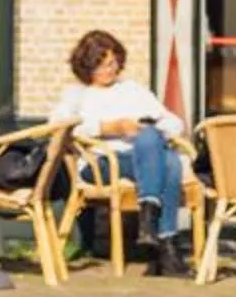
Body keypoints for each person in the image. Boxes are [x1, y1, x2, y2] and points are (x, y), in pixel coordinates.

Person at [51, 29, 194, 275]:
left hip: (144, 157)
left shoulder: (133, 90)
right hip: (102, 162)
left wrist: (151, 127)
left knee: (163, 154)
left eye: (113, 63)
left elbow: (175, 123)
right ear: (87, 67)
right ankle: (165, 247)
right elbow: (57, 125)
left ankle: (150, 222)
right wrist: (111, 127)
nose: (110, 70)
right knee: (168, 162)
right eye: (102, 65)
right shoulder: (78, 95)